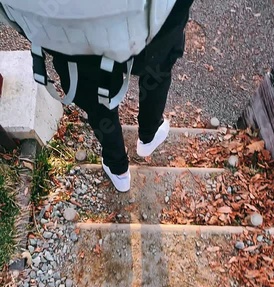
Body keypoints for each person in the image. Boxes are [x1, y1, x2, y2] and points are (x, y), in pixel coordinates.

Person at [51, 0, 195, 193]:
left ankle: (118, 167)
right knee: (157, 61)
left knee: (94, 89)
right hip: (155, 16)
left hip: (78, 26)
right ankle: (149, 134)